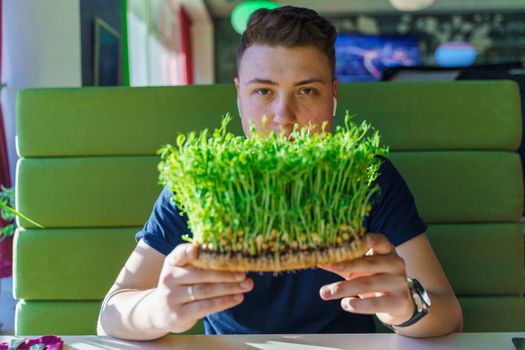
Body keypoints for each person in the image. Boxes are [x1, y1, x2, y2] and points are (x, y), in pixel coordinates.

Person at [97, 6, 463, 340]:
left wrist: (405, 307)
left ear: (333, 96)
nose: (283, 116)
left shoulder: (366, 175)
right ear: (239, 96)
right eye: (263, 91)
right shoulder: (203, 181)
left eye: (306, 90)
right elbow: (110, 315)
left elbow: (448, 315)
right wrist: (160, 309)